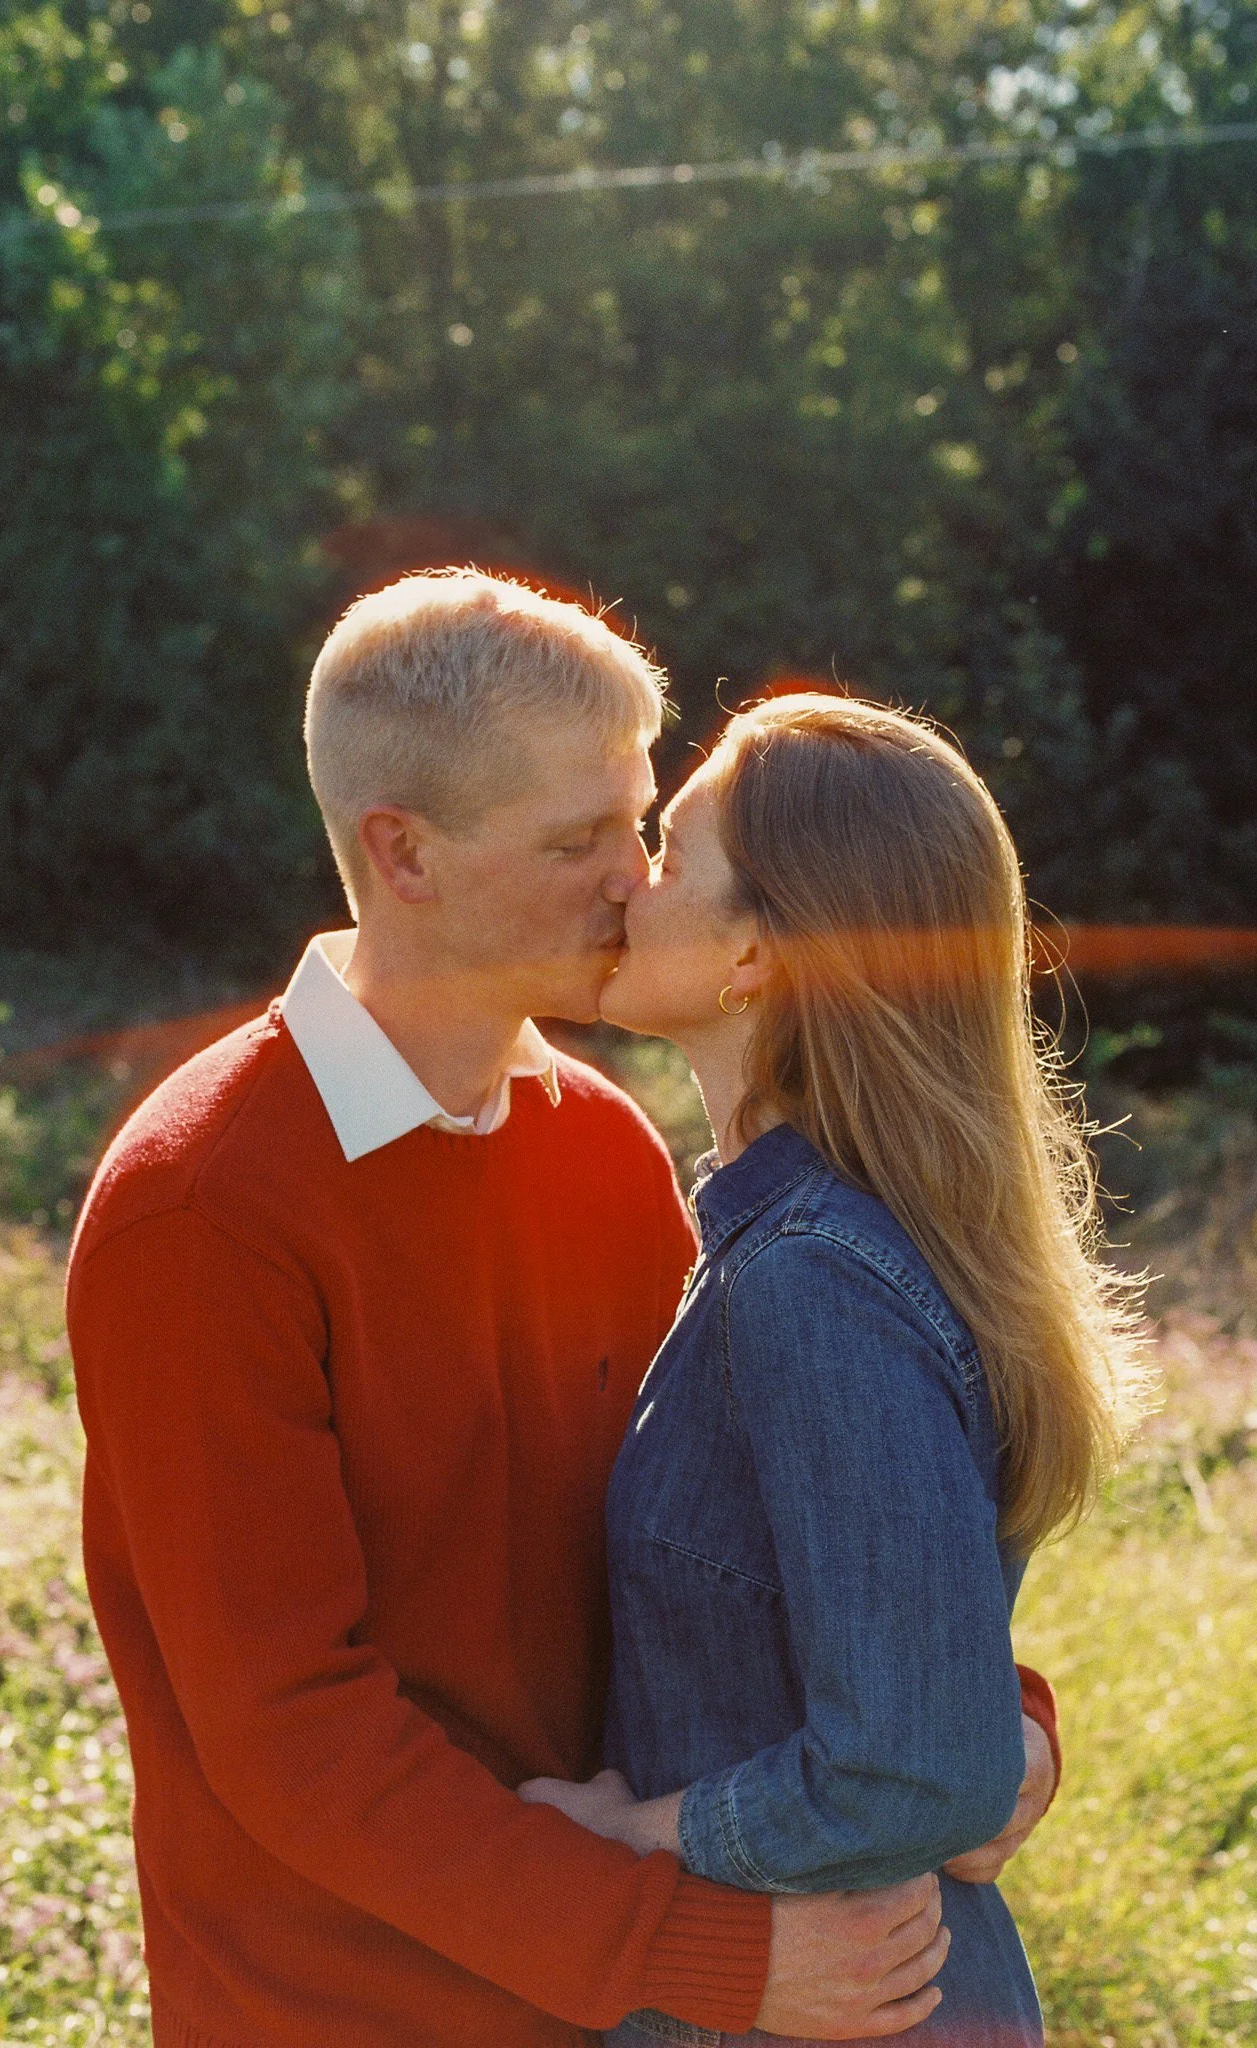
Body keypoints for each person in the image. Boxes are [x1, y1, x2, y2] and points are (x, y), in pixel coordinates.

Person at [67, 577, 1058, 2048]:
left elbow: (747, 1548)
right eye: (578, 840)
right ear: (403, 853)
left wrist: (998, 1730)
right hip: (351, 2010)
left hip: (616, 2000)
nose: (633, 878)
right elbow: (293, 1738)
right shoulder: (200, 1206)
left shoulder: (603, 1147)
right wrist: (700, 1947)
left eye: (641, 823)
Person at [520, 693, 1149, 2045]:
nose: (632, 877)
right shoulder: (795, 1243)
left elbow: (911, 1767)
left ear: (758, 952)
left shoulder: (812, 1281)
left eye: (673, 854)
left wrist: (624, 1830)